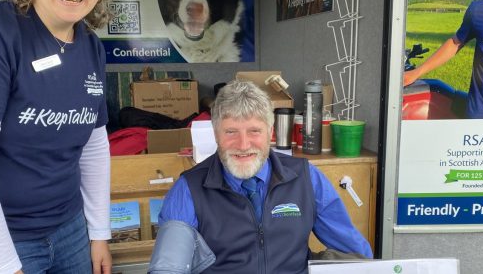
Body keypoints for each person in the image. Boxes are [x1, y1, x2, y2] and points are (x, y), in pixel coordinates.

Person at [0, 0, 124, 273]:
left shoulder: (90, 46)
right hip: (5, 237)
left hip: (71, 231)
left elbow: (93, 145)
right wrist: (2, 264)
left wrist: (99, 234)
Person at [158, 80, 372, 273]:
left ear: (270, 133)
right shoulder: (189, 189)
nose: (243, 145)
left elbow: (356, 254)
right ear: (215, 134)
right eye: (231, 132)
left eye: (254, 131)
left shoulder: (306, 178)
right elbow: (167, 268)